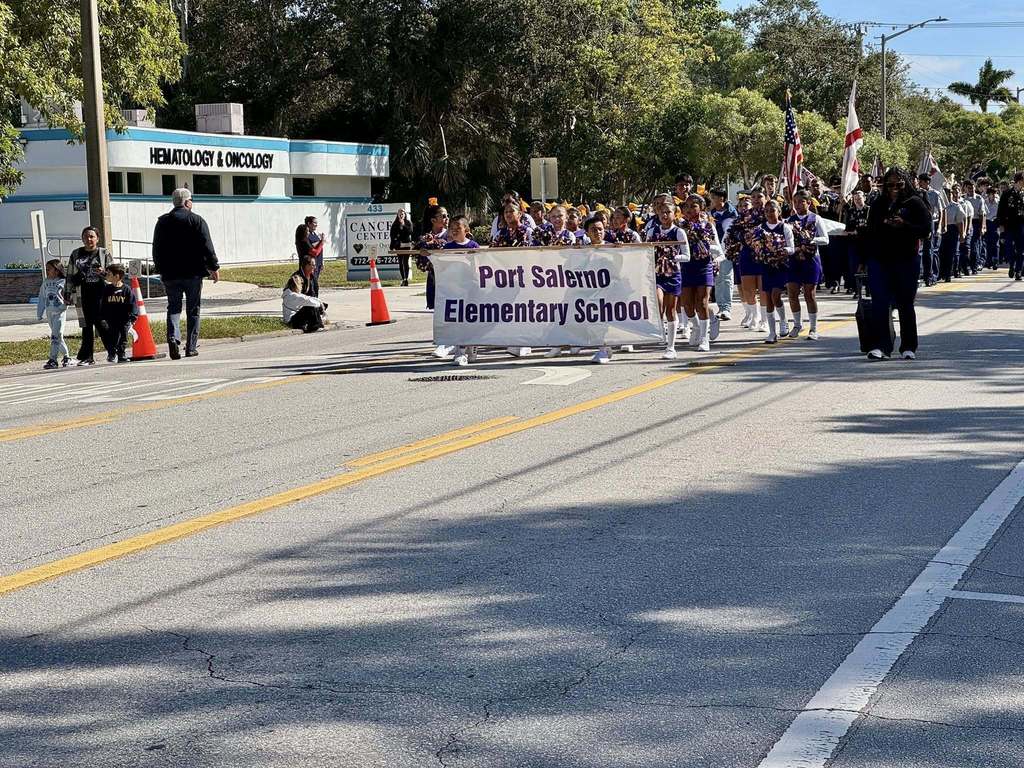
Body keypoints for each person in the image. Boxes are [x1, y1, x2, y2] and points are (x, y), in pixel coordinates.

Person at [864, 167, 932, 360]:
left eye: (899, 184)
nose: (894, 188)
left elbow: (926, 230)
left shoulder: (915, 202)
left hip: (906, 260)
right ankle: (881, 346)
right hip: (880, 260)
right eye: (890, 184)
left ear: (906, 183)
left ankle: (908, 346)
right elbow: (870, 231)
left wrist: (904, 225)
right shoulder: (878, 204)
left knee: (905, 303)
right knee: (880, 303)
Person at [152, 188, 220, 359]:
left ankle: (173, 338)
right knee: (193, 309)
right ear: (187, 202)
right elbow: (207, 246)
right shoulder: (196, 220)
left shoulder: (162, 222)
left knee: (173, 307)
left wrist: (160, 269)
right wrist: (214, 267)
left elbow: (157, 249)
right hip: (193, 273)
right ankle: (191, 346)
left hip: (170, 274)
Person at [648, 199, 691, 359]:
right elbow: (648, 252)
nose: (665, 215)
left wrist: (672, 257)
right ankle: (661, 333)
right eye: (662, 212)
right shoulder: (653, 231)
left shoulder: (679, 232)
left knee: (671, 309)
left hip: (673, 274)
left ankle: (671, 347)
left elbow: (687, 256)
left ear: (674, 214)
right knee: (658, 303)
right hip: (657, 274)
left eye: (668, 212)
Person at [679, 195, 722, 352]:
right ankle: (696, 327)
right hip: (686, 267)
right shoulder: (680, 226)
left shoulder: (708, 226)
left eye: (693, 206)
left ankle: (704, 338)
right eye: (687, 206)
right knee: (687, 305)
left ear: (701, 208)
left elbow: (718, 249)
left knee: (701, 302)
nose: (689, 209)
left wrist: (704, 247)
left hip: (704, 266)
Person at [66, 225, 111, 366]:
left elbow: (112, 275)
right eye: (86, 236)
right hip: (81, 293)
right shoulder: (75, 254)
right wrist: (67, 292)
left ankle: (113, 350)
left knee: (101, 323)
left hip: (100, 292)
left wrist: (103, 272)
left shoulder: (104, 254)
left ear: (97, 238)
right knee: (86, 326)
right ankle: (88, 357)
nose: (89, 239)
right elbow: (69, 275)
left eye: (92, 236)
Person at [786, 190, 829, 340]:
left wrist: (811, 240)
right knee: (792, 293)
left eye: (801, 201)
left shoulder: (815, 218)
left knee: (809, 294)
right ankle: (797, 324)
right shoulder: (789, 220)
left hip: (811, 260)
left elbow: (825, 239)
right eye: (795, 202)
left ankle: (814, 328)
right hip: (794, 260)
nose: (798, 205)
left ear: (808, 203)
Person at [752, 199, 795, 344]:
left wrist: (780, 250)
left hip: (781, 265)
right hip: (766, 266)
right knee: (768, 298)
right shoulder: (760, 228)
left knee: (776, 295)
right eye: (767, 211)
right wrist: (761, 252)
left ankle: (783, 320)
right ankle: (772, 333)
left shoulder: (785, 227)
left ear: (779, 211)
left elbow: (792, 248)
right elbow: (756, 246)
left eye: (773, 210)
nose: (770, 213)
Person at [442, 215, 479, 367]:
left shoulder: (473, 246)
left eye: (458, 228)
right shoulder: (447, 248)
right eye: (452, 229)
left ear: (467, 230)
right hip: (454, 290)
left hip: (471, 289)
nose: (455, 231)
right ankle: (460, 352)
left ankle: (472, 348)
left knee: (471, 320)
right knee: (457, 321)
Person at [99, 263, 138, 363]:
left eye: (109, 274)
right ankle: (112, 352)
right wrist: (102, 317)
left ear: (116, 276)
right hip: (111, 319)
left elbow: (132, 304)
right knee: (112, 337)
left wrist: (133, 316)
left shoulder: (126, 289)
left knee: (123, 337)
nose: (107, 276)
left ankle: (121, 354)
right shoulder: (107, 289)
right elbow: (103, 304)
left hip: (124, 319)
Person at [37, 259, 71, 369]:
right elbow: (42, 298)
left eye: (49, 269)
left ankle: (53, 360)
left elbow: (69, 296)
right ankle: (67, 357)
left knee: (55, 336)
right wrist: (39, 312)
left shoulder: (63, 282)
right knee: (58, 337)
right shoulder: (45, 283)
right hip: (49, 313)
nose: (47, 271)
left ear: (57, 270)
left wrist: (67, 301)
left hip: (60, 312)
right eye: (46, 269)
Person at [709, 188, 737, 320]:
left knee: (726, 278)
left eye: (714, 197)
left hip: (727, 250)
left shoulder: (732, 214)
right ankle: (721, 306)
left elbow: (732, 232)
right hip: (714, 250)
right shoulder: (711, 213)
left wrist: (725, 248)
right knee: (718, 278)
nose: (712, 200)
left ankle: (726, 307)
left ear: (721, 198)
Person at [282, 254, 326, 332]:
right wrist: (319, 304)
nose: (302, 286)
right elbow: (305, 299)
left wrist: (319, 302)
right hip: (292, 320)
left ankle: (317, 324)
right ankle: (316, 325)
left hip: (298, 312)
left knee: (312, 306)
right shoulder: (292, 295)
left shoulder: (312, 278)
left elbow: (309, 296)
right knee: (310, 307)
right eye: (300, 284)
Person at [996, 171, 1024, 280]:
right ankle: (1011, 265)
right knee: (1010, 248)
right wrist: (1001, 228)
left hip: (1021, 225)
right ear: (1019, 180)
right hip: (1009, 225)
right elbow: (1001, 211)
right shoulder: (1006, 194)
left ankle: (1018, 271)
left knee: (1021, 250)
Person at [917, 174, 942, 286]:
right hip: (919, 222)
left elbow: (941, 211)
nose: (919, 183)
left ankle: (930, 275)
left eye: (921, 181)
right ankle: (921, 274)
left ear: (927, 182)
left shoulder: (935, 194)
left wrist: (941, 226)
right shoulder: (917, 193)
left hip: (931, 222)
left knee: (929, 250)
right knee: (919, 250)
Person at [940, 185, 967, 283]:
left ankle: (948, 274)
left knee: (951, 253)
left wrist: (962, 234)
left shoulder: (956, 206)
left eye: (948, 194)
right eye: (945, 195)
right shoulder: (940, 206)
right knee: (941, 252)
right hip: (941, 230)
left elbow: (960, 221)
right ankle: (940, 273)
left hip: (952, 230)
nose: (947, 197)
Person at [390, 209, 414, 286]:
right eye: (400, 214)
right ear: (397, 215)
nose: (401, 215)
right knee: (400, 262)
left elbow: (410, 232)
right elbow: (392, 235)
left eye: (403, 214)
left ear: (405, 215)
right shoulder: (395, 224)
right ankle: (403, 278)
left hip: (407, 244)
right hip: (398, 246)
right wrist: (392, 245)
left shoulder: (408, 222)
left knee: (405, 262)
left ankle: (406, 279)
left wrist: (403, 225)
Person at [984, 185, 1001, 269]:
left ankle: (995, 261)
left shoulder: (998, 202)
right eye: (991, 194)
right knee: (988, 243)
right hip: (987, 223)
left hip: (995, 223)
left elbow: (1001, 214)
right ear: (988, 194)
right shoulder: (985, 202)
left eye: (994, 193)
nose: (993, 195)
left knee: (996, 243)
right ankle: (989, 261)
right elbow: (983, 214)